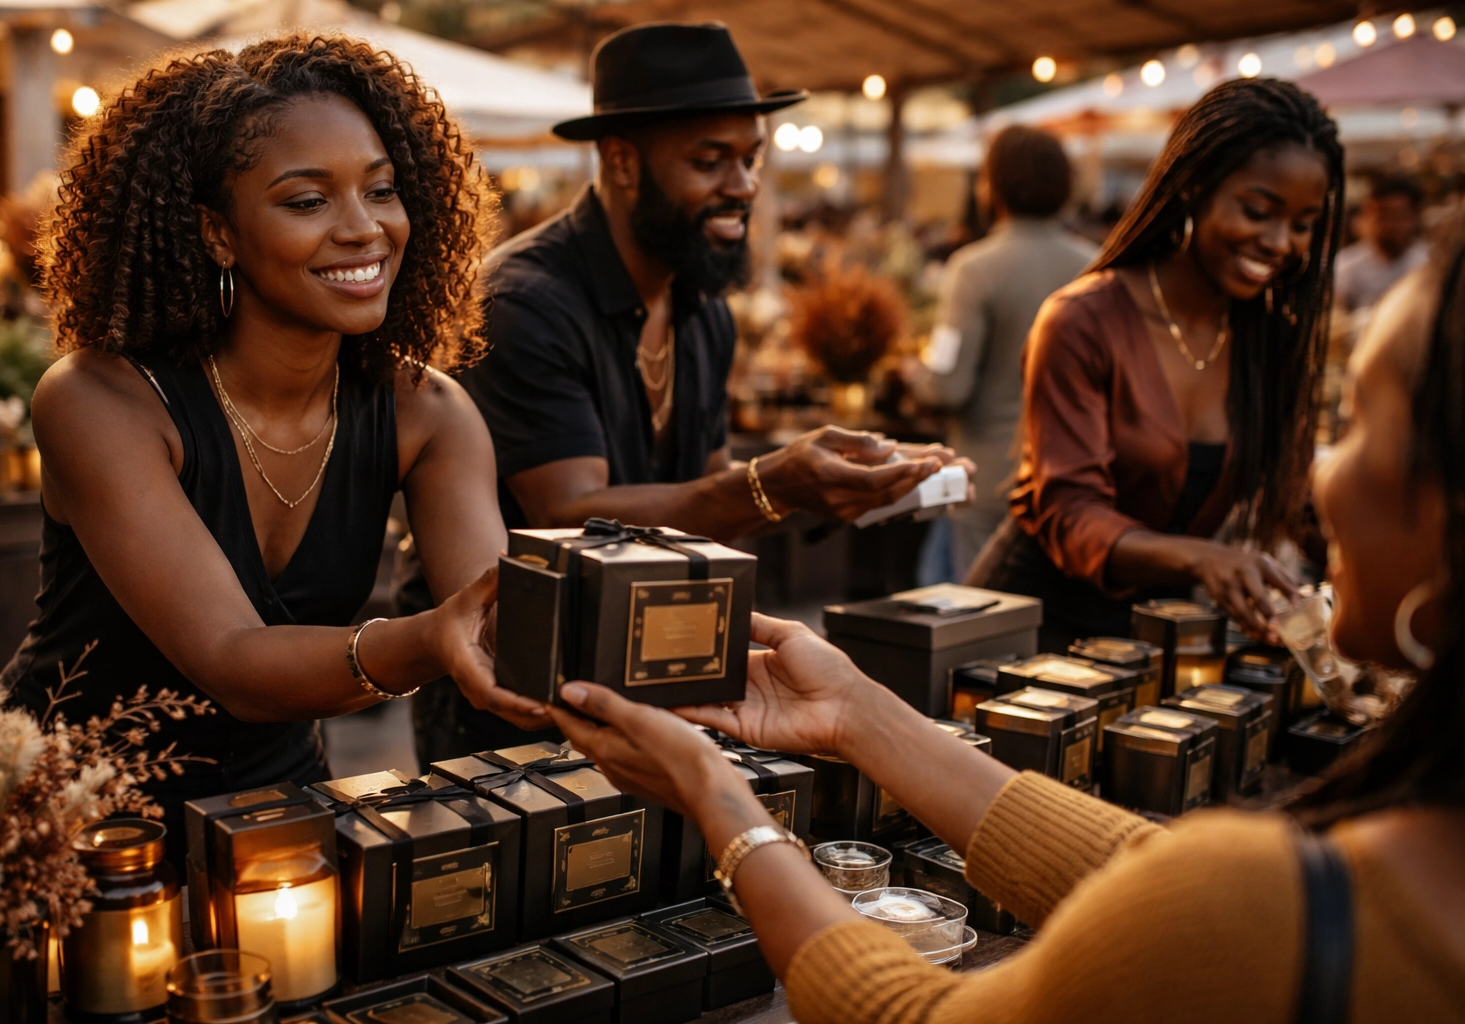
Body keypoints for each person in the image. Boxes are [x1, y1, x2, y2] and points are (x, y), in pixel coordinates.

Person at [543, 224, 1465, 1023]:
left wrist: (720, 800)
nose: (1321, 473)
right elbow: (1152, 874)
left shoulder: (1277, 911)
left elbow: (910, 1010)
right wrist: (858, 713)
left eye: (1358, 424)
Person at [5, 36, 544, 866]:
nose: (364, 230)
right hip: (79, 832)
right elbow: (233, 661)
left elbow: (498, 622)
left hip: (281, 814)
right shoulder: (99, 402)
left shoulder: (429, 412)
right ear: (216, 234)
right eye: (306, 202)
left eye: (382, 190)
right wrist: (432, 638)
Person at [396, 22, 966, 761]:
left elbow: (710, 497)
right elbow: (569, 515)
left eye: (750, 160)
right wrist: (776, 483)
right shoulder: (525, 302)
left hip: (650, 657)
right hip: (513, 679)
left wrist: (864, 480)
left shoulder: (703, 308)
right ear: (623, 161)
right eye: (711, 161)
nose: (744, 187)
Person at [964, 79, 1344, 650]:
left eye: (1303, 224)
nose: (1279, 242)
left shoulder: (1272, 340)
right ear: (1193, 187)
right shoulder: (1080, 321)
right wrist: (1201, 558)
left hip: (1153, 633)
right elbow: (1070, 511)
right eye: (1258, 211)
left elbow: (1294, 500)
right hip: (1031, 622)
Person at [900, 125, 1096, 582]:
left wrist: (915, 373)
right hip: (1073, 482)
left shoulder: (974, 269)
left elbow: (947, 387)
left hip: (985, 482)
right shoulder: (1096, 263)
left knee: (968, 622)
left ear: (993, 186)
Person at [1334, 173, 1429, 314]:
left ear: (1415, 217)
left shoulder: (1428, 263)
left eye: (1399, 216)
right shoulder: (1347, 266)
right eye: (1383, 216)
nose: (1391, 225)